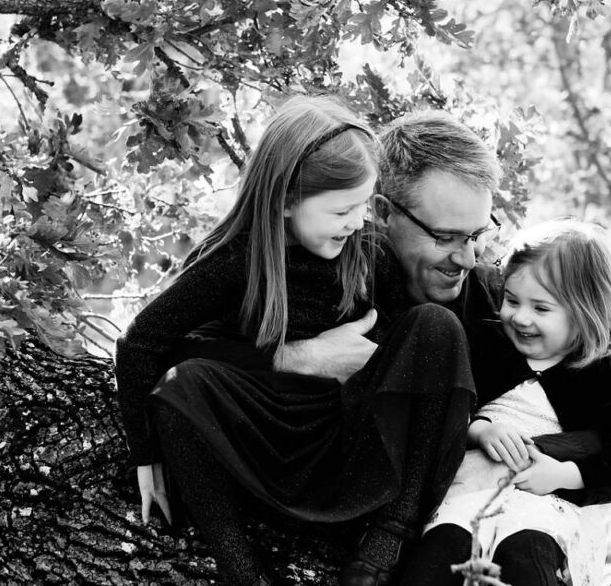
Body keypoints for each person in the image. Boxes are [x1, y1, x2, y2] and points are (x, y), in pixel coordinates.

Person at [114, 95, 480, 586]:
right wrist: (145, 454)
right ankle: (240, 568)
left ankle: (388, 539)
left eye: (363, 207)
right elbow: (142, 345)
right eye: (342, 209)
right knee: (184, 384)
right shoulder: (230, 261)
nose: (356, 221)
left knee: (437, 327)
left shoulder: (367, 254)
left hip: (349, 443)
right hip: (267, 440)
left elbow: (417, 366)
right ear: (286, 198)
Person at [393, 219, 611, 585]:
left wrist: (564, 475)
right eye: (512, 300)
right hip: (471, 490)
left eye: (541, 308)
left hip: (542, 503)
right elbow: (446, 406)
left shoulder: (595, 372)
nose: (520, 317)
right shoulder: (490, 344)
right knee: (440, 553)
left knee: (527, 557)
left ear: (584, 314)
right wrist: (480, 429)